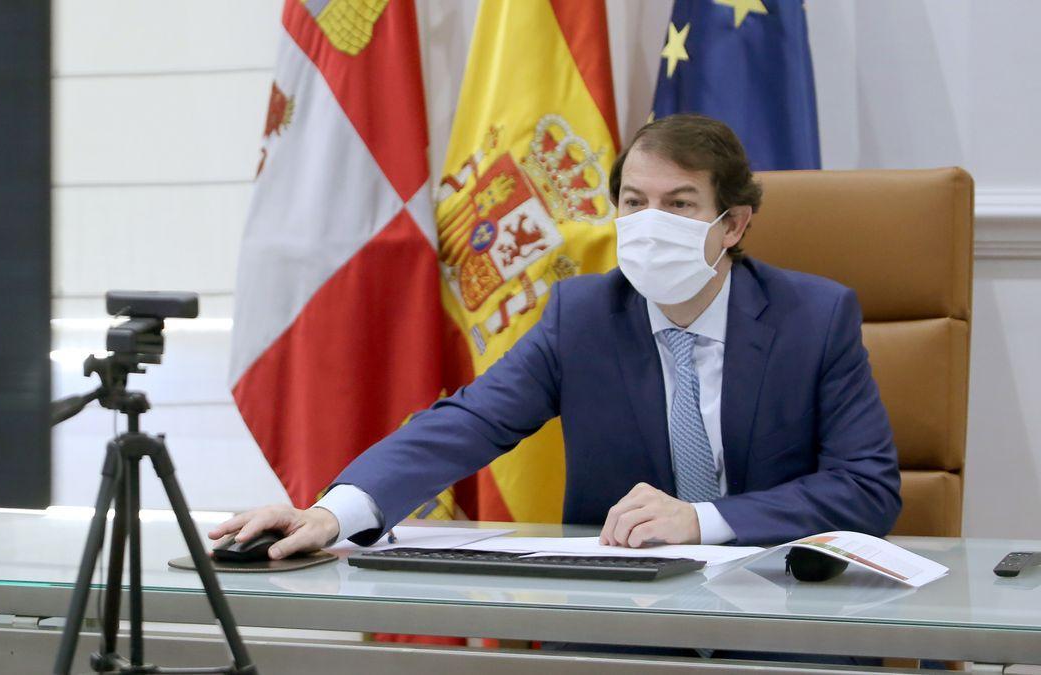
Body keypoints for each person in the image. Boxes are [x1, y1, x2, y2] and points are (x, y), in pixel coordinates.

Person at [210, 113, 902, 563]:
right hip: (621, 631)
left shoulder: (814, 317)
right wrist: (334, 512)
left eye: (680, 204)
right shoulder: (585, 316)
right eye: (634, 202)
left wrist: (705, 519)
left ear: (734, 224)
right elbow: (469, 420)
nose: (649, 222)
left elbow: (867, 488)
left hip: (782, 617)